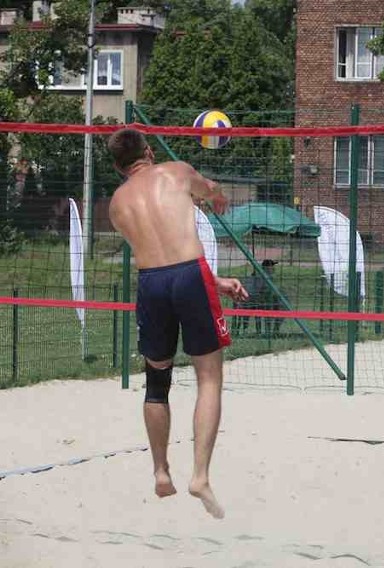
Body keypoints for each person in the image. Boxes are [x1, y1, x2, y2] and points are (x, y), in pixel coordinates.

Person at [107, 128, 248, 519]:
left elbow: (157, 248)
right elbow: (211, 190)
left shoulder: (117, 204)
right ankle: (200, 476)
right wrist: (216, 195)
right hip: (190, 274)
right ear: (149, 151)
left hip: (151, 284)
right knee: (209, 378)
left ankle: (160, 470)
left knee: (156, 382)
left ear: (120, 168)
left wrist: (215, 282)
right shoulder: (176, 171)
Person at [233, 259, 283, 336]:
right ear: (268, 268)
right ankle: (269, 331)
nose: (273, 268)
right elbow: (263, 292)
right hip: (252, 301)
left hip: (246, 300)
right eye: (272, 266)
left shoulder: (257, 274)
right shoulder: (264, 277)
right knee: (276, 305)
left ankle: (261, 331)